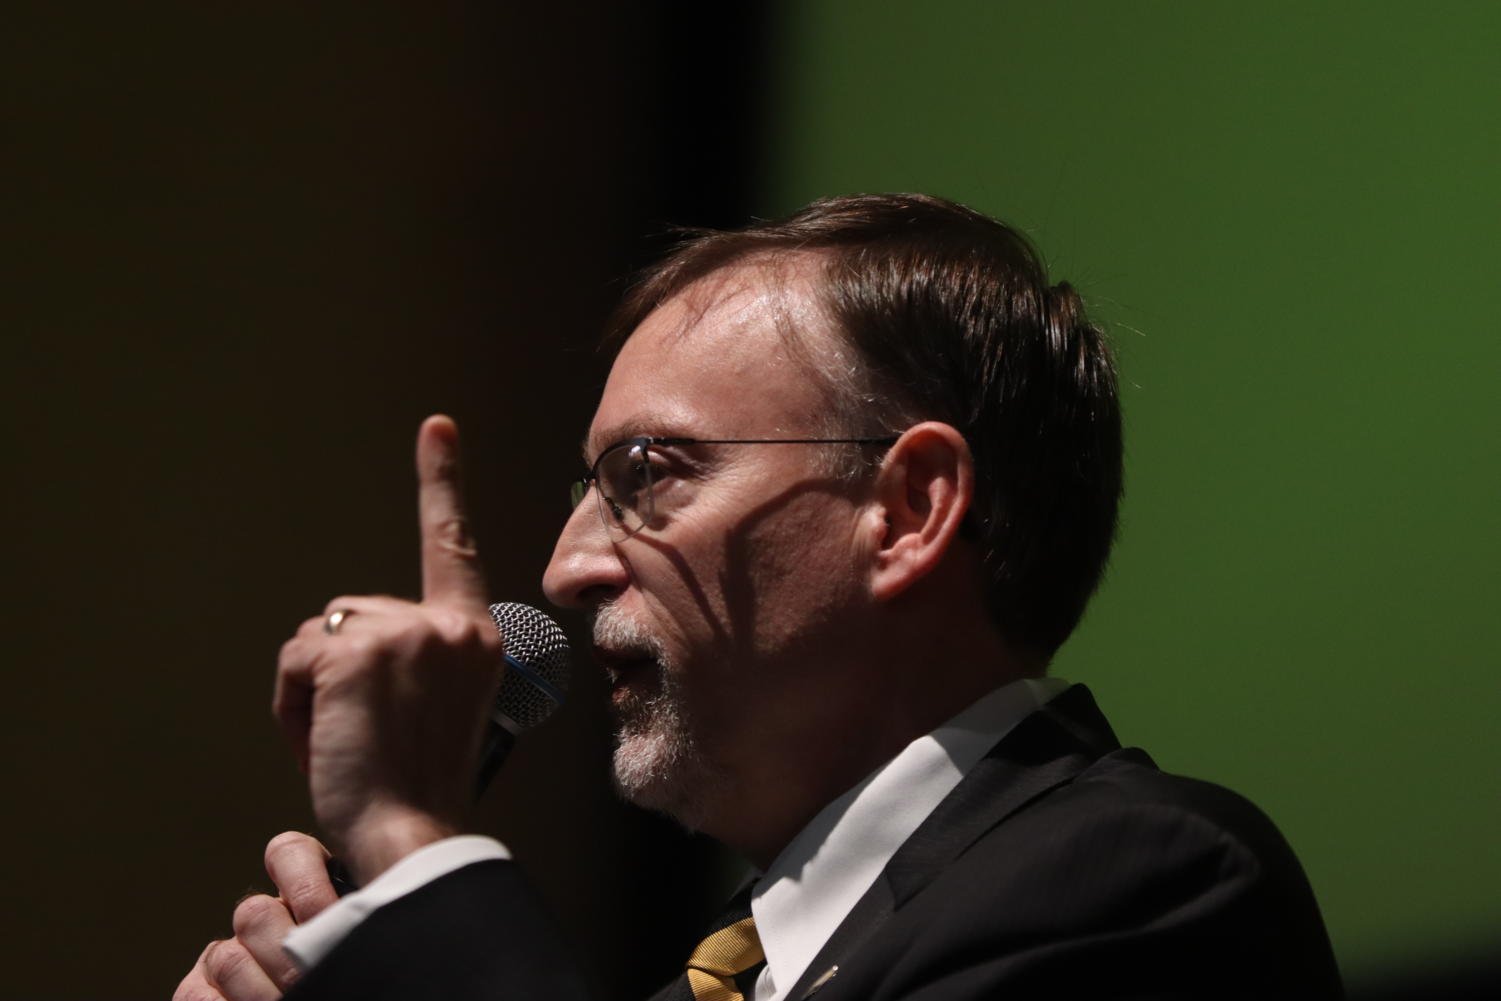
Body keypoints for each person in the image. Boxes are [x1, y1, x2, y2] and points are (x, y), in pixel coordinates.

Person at [176, 194, 1343, 1001]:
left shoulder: (1139, 883)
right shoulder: (713, 974)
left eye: (648, 475)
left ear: (910, 506)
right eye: (586, 489)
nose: (568, 568)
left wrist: (411, 843)